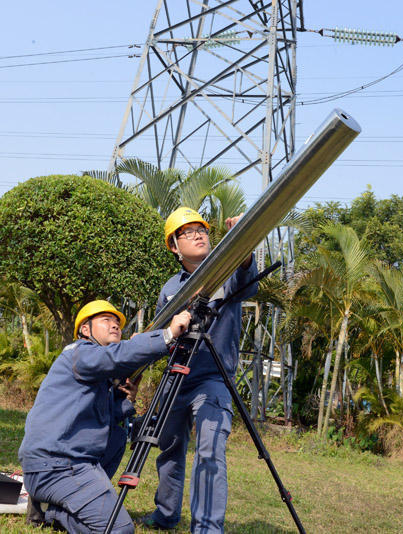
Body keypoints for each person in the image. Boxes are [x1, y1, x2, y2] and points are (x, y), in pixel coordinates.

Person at [19, 299, 191, 533]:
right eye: (105, 320)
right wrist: (167, 335)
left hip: (64, 464)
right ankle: (56, 510)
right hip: (56, 466)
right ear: (85, 330)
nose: (114, 326)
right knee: (119, 529)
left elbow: (98, 421)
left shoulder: (96, 371)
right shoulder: (80, 352)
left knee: (118, 436)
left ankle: (56, 507)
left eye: (117, 322)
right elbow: (117, 355)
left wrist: (127, 401)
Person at [140, 207, 258, 533]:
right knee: (169, 450)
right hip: (176, 377)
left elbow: (248, 284)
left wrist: (243, 249)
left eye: (201, 228)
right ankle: (165, 516)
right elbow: (164, 336)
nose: (197, 233)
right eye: (187, 231)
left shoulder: (226, 271)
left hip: (214, 378)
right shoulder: (170, 289)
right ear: (175, 247)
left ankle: (206, 529)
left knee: (209, 453)